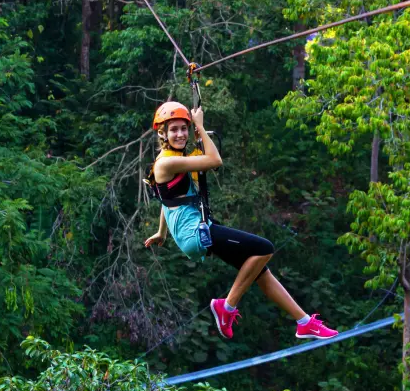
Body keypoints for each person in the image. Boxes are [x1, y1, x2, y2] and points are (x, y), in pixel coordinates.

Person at [144, 101, 338, 341]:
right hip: (196, 234)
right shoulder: (167, 163)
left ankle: (304, 322)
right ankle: (226, 307)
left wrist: (161, 232)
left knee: (260, 271)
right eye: (174, 129)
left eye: (184, 128)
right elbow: (215, 160)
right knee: (264, 248)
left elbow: (167, 200)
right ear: (162, 134)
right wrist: (200, 127)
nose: (181, 134)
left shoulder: (171, 158)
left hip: (197, 231)